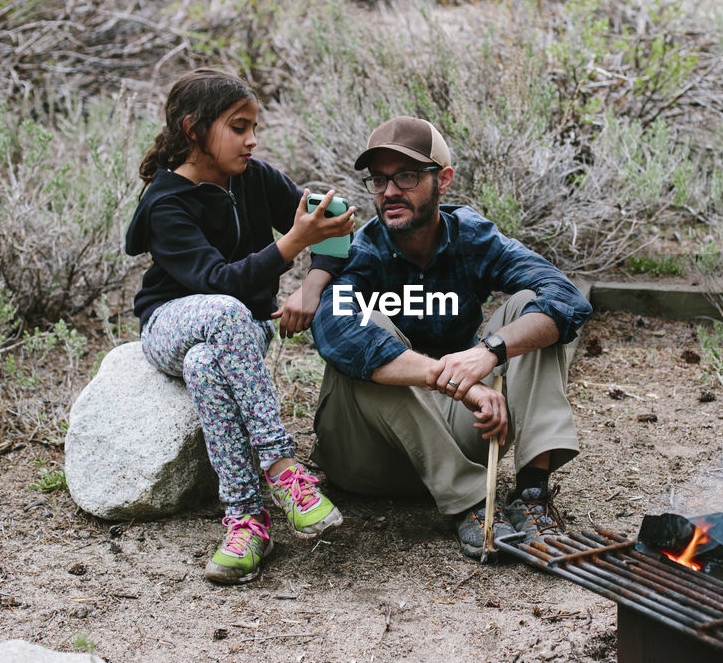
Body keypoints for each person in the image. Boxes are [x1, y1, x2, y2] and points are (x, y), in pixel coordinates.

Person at [309, 116, 592, 560]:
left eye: (406, 176)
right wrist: (454, 378)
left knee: (528, 310)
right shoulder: (360, 250)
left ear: (443, 180)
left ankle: (533, 495)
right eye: (379, 180)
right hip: (366, 455)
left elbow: (566, 297)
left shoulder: (473, 238)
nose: (389, 192)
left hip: (457, 437)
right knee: (369, 327)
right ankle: (474, 503)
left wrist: (490, 351)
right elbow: (335, 333)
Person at [124, 68, 355, 585]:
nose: (251, 140)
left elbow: (336, 227)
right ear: (193, 129)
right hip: (169, 323)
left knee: (207, 365)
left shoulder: (253, 178)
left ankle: (248, 521)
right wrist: (294, 242)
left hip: (237, 332)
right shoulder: (166, 204)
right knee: (225, 313)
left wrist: (310, 286)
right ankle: (282, 468)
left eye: (254, 127)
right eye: (238, 126)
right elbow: (217, 283)